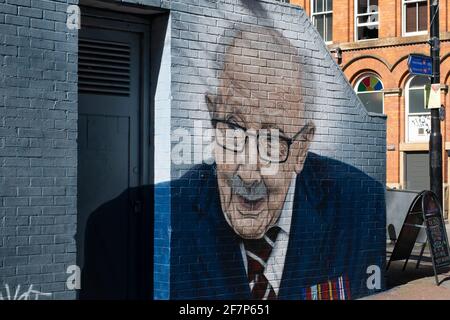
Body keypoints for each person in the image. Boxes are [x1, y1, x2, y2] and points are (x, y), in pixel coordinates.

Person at [169, 26, 385, 300]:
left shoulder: (362, 206)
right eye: (233, 128)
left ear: (301, 149)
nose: (248, 174)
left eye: (272, 140)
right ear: (213, 120)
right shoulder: (168, 215)